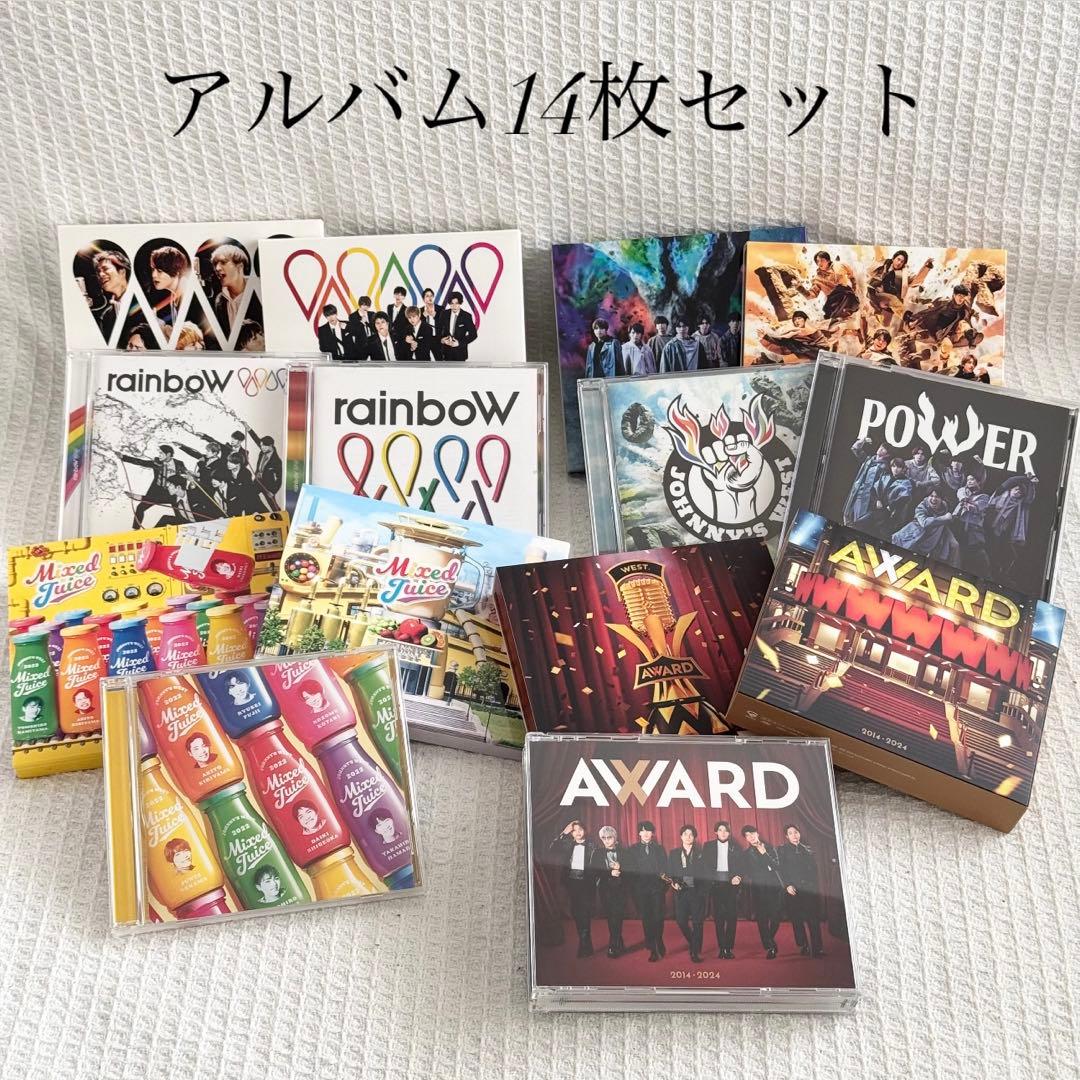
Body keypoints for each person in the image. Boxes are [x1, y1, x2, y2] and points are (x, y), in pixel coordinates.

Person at [550, 821, 597, 958]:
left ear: (585, 831)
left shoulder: (592, 845)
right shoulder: (568, 844)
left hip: (586, 883)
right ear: (571, 833)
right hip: (572, 882)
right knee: (576, 912)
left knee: (585, 913)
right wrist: (564, 833)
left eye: (580, 829)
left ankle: (584, 943)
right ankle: (585, 942)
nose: (578, 832)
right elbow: (552, 848)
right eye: (574, 830)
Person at [623, 820, 668, 962]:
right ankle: (652, 946)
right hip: (641, 890)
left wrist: (662, 886)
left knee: (658, 917)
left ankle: (659, 940)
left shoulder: (659, 849)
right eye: (643, 830)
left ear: (652, 833)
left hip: (657, 889)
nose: (646, 833)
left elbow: (665, 868)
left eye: (649, 830)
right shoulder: (632, 849)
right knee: (647, 918)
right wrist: (635, 889)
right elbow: (629, 871)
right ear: (639, 833)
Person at [739, 825, 785, 959]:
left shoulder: (770, 848)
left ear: (757, 834)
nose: (751, 837)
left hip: (774, 887)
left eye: (752, 833)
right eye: (748, 835)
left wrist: (764, 853)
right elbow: (747, 872)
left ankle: (769, 939)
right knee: (762, 918)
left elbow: (776, 866)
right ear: (746, 839)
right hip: (758, 889)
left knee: (776, 917)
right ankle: (770, 946)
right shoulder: (746, 854)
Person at [777, 825, 823, 957]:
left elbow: (814, 870)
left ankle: (817, 949)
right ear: (787, 836)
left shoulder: (807, 849)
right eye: (791, 833)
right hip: (793, 889)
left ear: (799, 833)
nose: (794, 835)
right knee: (797, 919)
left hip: (809, 889)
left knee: (813, 919)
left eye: (796, 832)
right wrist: (787, 885)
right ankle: (803, 945)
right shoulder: (782, 850)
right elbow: (780, 871)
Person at [119, 444, 188, 528]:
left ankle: (184, 528)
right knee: (140, 508)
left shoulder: (179, 463)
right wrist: (123, 457)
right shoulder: (157, 463)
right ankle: (135, 530)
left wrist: (183, 490)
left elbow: (184, 477)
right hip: (156, 491)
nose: (159, 455)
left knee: (180, 513)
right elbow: (141, 462)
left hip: (172, 492)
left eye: (161, 453)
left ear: (168, 454)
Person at [701, 820, 740, 959]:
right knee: (719, 918)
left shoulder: (736, 846)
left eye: (726, 830)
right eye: (720, 830)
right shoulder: (708, 846)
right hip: (715, 885)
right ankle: (722, 948)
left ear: (729, 833)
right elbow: (704, 866)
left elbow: (741, 866)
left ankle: (728, 947)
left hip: (731, 885)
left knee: (732, 917)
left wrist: (739, 877)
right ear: (716, 832)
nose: (723, 833)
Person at [891, 487, 960, 563]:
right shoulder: (921, 507)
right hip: (918, 533)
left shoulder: (944, 506)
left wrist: (951, 517)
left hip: (939, 531)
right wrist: (944, 518)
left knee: (954, 545)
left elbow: (949, 519)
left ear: (942, 499)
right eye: (931, 496)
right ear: (927, 497)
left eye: (937, 497)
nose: (934, 499)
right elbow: (924, 523)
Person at [668, 825, 706, 963]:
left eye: (691, 834)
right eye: (685, 834)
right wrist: (673, 883)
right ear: (681, 836)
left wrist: (703, 892)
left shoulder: (701, 853)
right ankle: (693, 941)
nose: (688, 837)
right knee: (681, 921)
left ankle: (694, 952)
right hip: (681, 892)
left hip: (697, 892)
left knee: (697, 923)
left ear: (694, 837)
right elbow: (670, 872)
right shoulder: (673, 853)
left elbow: (706, 874)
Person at [590, 826, 628, 958]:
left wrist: (621, 869)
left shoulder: (624, 852)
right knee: (611, 916)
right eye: (604, 838)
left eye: (609, 837)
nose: (606, 840)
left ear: (615, 838)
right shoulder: (597, 853)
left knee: (618, 916)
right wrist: (610, 873)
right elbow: (593, 871)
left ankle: (615, 942)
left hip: (621, 889)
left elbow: (632, 870)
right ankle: (616, 942)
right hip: (605, 890)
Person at [866, 250, 932, 323]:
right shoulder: (882, 264)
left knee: (886, 323)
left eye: (902, 262)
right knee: (891, 300)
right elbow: (869, 274)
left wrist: (926, 267)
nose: (899, 263)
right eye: (898, 259)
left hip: (888, 301)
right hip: (873, 293)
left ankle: (908, 320)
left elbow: (916, 280)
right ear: (893, 258)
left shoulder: (902, 274)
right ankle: (908, 319)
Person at [799, 250, 860, 323]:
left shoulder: (841, 265)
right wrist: (800, 288)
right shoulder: (818, 279)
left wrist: (854, 285)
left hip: (848, 298)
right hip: (834, 304)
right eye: (817, 261)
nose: (819, 263)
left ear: (828, 260)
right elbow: (811, 295)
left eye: (822, 260)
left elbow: (851, 275)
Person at [857, 457, 914, 534]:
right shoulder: (885, 477)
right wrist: (877, 500)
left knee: (877, 532)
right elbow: (873, 490)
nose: (895, 469)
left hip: (891, 514)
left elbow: (904, 499)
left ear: (903, 469)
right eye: (893, 466)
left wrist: (890, 507)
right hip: (877, 509)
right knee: (860, 524)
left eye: (899, 467)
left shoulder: (906, 482)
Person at [211, 243, 255, 339]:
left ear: (240, 266)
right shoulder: (219, 301)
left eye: (223, 262)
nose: (217, 268)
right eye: (215, 264)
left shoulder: (257, 292)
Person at [842, 441, 890, 525]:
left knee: (857, 520)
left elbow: (882, 486)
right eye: (880, 447)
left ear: (887, 455)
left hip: (866, 497)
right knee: (846, 515)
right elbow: (855, 449)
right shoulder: (869, 459)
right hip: (855, 492)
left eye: (884, 449)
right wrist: (863, 440)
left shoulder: (884, 467)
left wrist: (878, 499)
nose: (880, 449)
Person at [149, 245, 191, 329]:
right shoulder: (174, 295)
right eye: (153, 269)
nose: (153, 275)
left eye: (159, 271)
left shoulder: (188, 294)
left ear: (176, 271)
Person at [91, 250, 130, 341]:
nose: (100, 274)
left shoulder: (143, 301)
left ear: (122, 271)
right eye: (98, 272)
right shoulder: (105, 317)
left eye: (105, 269)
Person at [245, 424, 282, 510]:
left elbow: (279, 478)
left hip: (268, 486)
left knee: (273, 505)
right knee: (248, 496)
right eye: (261, 446)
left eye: (264, 446)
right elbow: (256, 439)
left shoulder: (277, 461)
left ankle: (280, 517)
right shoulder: (263, 450)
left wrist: (273, 491)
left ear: (271, 445)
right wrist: (248, 428)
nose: (262, 448)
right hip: (257, 482)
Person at [437, 292, 477, 361]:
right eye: (452, 303)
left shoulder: (466, 316)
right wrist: (442, 340)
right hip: (446, 352)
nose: (454, 306)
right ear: (449, 304)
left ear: (460, 303)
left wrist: (459, 343)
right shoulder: (444, 314)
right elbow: (438, 330)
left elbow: (473, 334)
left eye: (457, 303)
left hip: (460, 353)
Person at [345, 296, 379, 361]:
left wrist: (367, 322)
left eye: (368, 306)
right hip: (361, 345)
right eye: (364, 305)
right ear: (360, 305)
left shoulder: (372, 314)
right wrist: (361, 322)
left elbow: (375, 329)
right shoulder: (353, 316)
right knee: (361, 362)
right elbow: (354, 332)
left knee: (376, 362)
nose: (366, 307)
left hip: (373, 343)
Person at [420, 288, 443, 359]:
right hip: (424, 339)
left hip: (437, 339)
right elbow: (416, 325)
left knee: (439, 359)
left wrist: (435, 316)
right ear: (423, 299)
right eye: (427, 296)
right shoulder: (420, 310)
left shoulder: (440, 309)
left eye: (431, 296)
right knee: (424, 360)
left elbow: (444, 324)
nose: (430, 298)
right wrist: (423, 316)